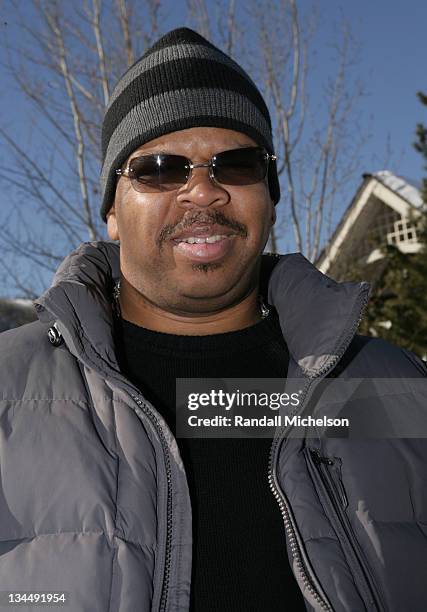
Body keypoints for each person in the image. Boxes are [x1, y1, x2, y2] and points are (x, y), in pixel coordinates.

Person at [0, 27, 426, 612]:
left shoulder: (397, 389)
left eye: (237, 164)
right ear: (112, 214)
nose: (202, 191)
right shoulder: (8, 391)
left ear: (271, 199)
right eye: (158, 168)